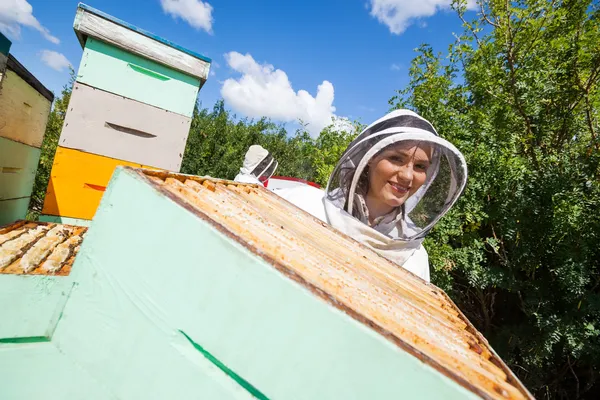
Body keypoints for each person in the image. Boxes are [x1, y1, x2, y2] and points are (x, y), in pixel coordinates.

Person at [273, 109, 468, 282]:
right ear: (370, 157)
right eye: (396, 159)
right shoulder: (301, 203)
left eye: (420, 167)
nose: (407, 176)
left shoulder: (415, 257)